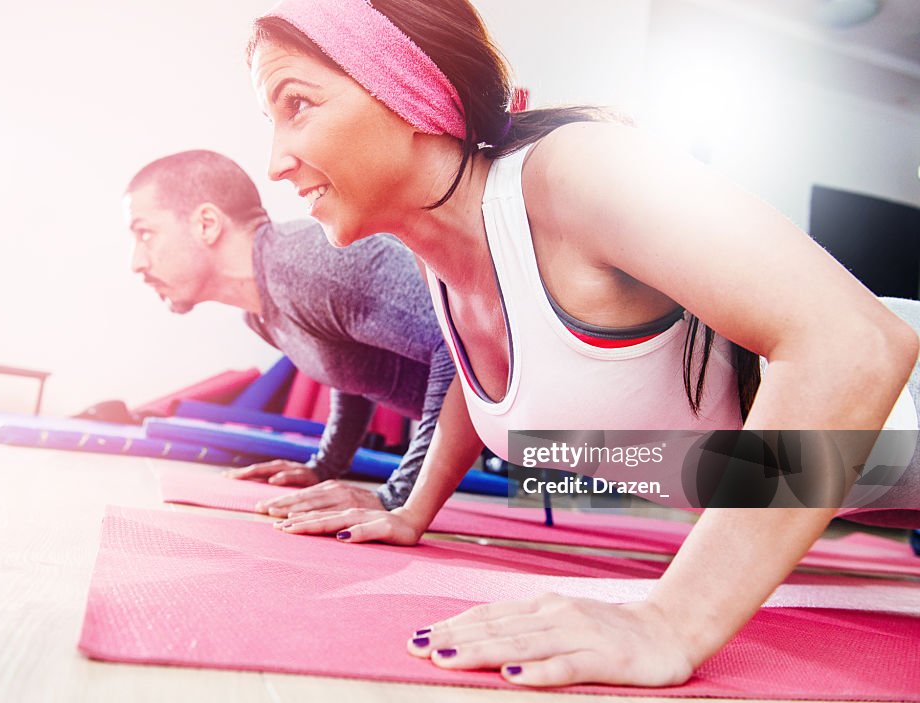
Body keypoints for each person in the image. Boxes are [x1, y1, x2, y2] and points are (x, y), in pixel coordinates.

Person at [245, 0, 920, 690]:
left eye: (297, 103)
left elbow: (854, 342)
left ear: (411, 89)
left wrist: (671, 621)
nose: (276, 162)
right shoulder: (443, 258)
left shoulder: (572, 172)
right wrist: (408, 504)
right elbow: (478, 382)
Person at [125, 150, 456, 515]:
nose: (136, 263)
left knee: (530, 527)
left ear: (207, 224)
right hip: (508, 444)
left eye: (146, 234)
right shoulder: (260, 314)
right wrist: (323, 467)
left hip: (527, 437)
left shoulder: (311, 264)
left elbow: (463, 347)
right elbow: (351, 371)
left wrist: (398, 495)